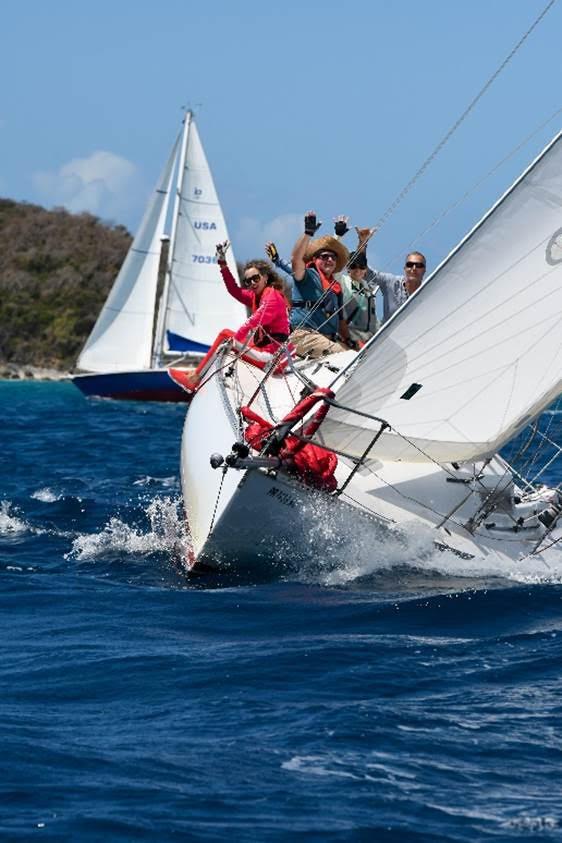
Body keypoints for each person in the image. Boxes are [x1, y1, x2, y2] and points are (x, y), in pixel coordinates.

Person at [180, 243, 291, 390]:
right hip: (268, 353)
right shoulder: (256, 296)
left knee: (225, 335)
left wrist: (233, 343)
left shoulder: (272, 297)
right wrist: (222, 264)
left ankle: (194, 378)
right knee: (230, 338)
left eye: (255, 278)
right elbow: (234, 290)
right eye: (248, 281)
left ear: (265, 277)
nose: (252, 283)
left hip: (271, 359)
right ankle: (195, 374)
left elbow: (252, 323)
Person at [288, 211, 351, 358]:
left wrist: (351, 341)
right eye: (324, 257)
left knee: (357, 355)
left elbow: (341, 321)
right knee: (344, 356)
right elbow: (295, 259)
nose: (329, 260)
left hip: (328, 339)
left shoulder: (335, 287)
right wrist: (308, 233)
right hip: (304, 337)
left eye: (333, 257)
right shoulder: (306, 275)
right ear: (315, 259)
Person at [356, 228, 427, 322]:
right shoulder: (390, 281)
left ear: (424, 270)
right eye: (410, 265)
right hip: (388, 335)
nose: (414, 268)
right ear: (404, 268)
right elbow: (365, 273)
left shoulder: (430, 290)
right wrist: (363, 243)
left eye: (418, 265)